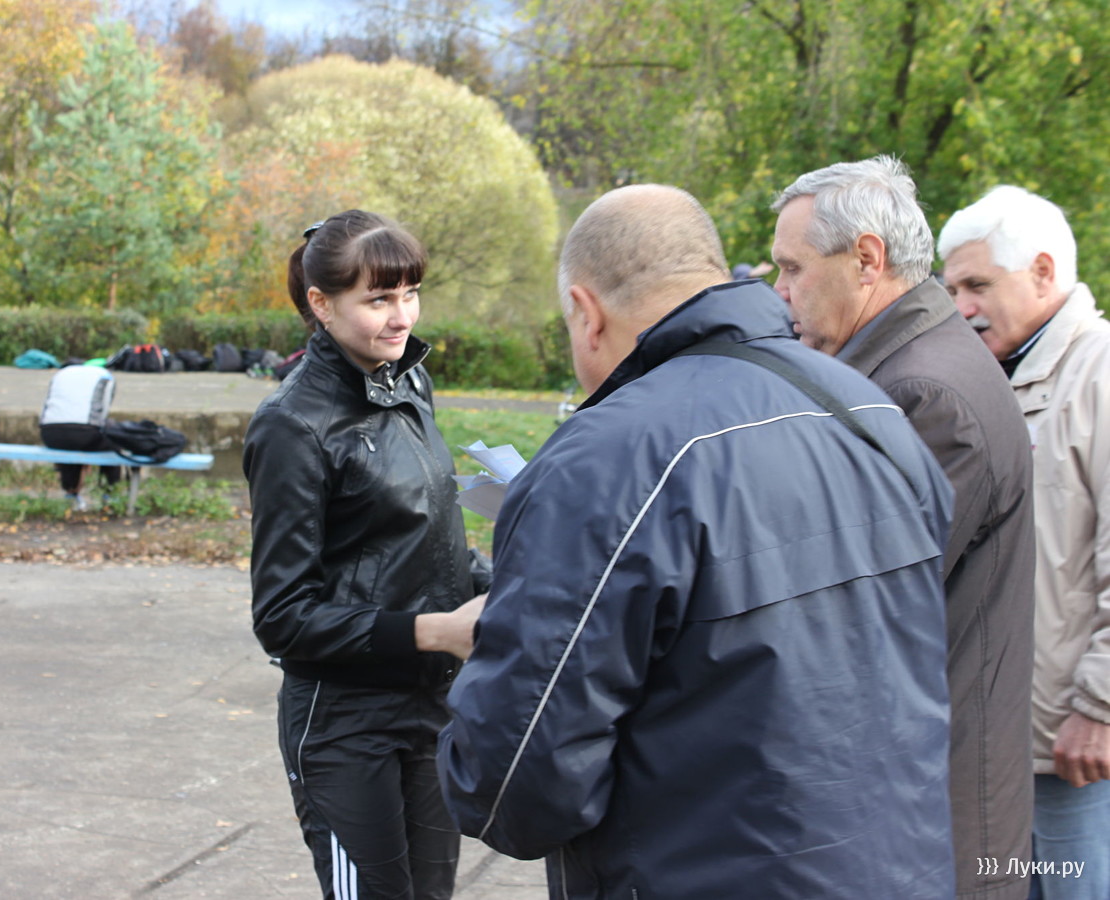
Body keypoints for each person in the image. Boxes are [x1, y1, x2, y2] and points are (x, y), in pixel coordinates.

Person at [438, 184, 957, 897]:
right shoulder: (869, 411)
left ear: (587, 313)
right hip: (901, 870)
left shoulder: (605, 461)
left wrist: (488, 653)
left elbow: (511, 789)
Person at [771, 156, 1036, 900]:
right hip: (919, 808)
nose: (780, 290)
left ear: (866, 259)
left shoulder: (923, 394)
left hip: (934, 823)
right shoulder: (909, 366)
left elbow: (845, 611)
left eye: (792, 267)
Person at [242, 210, 491, 900]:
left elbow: (421, 542)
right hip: (345, 723)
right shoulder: (292, 425)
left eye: (411, 293)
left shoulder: (408, 384)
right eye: (379, 298)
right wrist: (435, 631)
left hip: (433, 705)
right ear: (321, 305)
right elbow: (283, 618)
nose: (402, 316)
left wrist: (502, 582)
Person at [939, 186, 1110, 900]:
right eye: (951, 289)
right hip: (1005, 745)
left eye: (978, 285)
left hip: (1076, 752)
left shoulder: (1099, 376)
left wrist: (1101, 708)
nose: (960, 307)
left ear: (1043, 272)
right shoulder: (997, 378)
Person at [38, 362, 121, 510]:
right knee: (113, 444)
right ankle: (109, 493)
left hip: (50, 434)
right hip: (85, 433)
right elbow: (103, 412)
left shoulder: (59, 375)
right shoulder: (104, 375)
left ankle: (71, 494)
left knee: (67, 444)